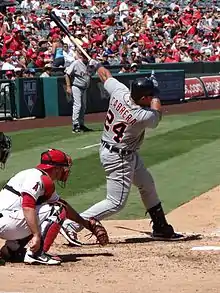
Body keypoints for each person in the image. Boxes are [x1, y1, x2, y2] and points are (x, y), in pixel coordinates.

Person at [60, 62, 185, 246]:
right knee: (116, 202)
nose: (151, 97)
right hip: (119, 157)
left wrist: (97, 65)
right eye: (148, 95)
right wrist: (156, 94)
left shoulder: (120, 92)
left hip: (119, 150)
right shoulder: (141, 115)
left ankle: (160, 227)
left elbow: (104, 75)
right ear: (142, 97)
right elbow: (157, 113)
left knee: (146, 184)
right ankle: (72, 224)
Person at [0, 149, 108, 265]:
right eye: (64, 168)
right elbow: (27, 206)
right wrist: (36, 235)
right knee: (56, 210)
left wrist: (86, 224)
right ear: (56, 169)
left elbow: (64, 205)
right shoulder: (36, 178)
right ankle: (37, 254)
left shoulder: (37, 176)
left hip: (7, 220)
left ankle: (11, 250)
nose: (66, 171)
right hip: (6, 222)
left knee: (54, 208)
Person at [65, 50, 93, 133]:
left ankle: (81, 124)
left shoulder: (90, 64)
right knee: (78, 105)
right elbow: (67, 74)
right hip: (76, 87)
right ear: (81, 56)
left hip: (84, 88)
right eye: (84, 56)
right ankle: (75, 125)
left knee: (83, 107)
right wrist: (68, 86)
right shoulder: (76, 63)